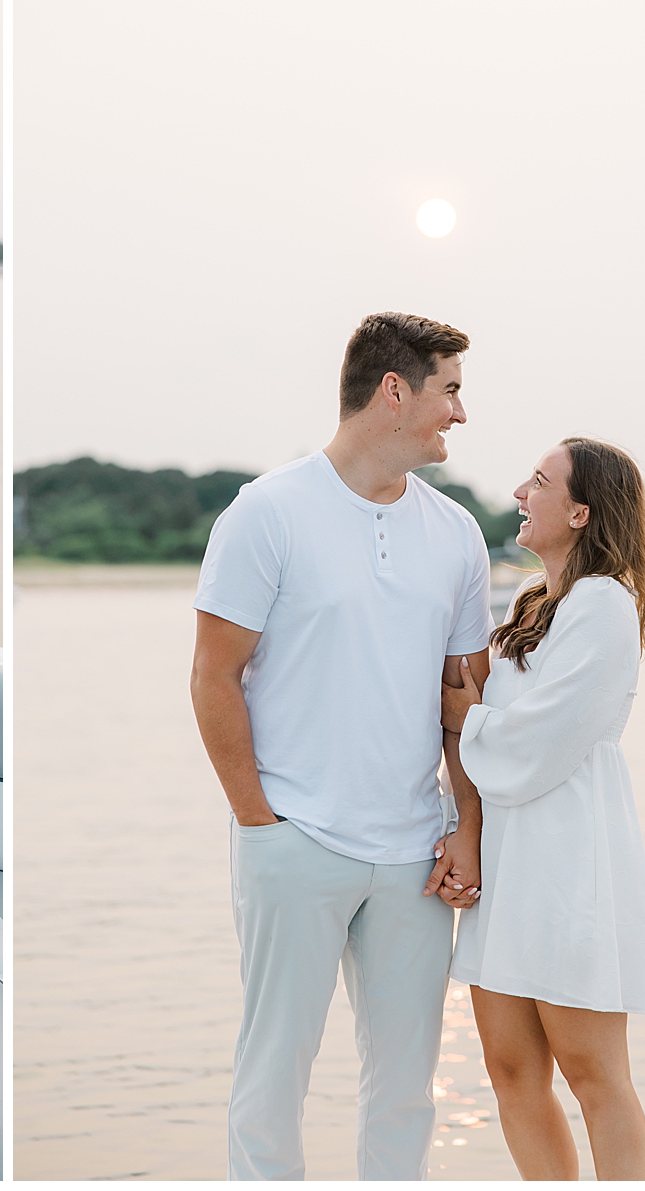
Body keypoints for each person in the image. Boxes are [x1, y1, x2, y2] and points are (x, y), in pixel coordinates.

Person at [190, 311, 496, 1180]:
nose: (461, 414)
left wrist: (464, 822)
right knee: (271, 1081)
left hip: (414, 854)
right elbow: (213, 678)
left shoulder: (457, 534)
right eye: (451, 391)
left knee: (405, 1091)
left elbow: (462, 701)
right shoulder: (267, 513)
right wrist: (260, 823)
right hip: (295, 840)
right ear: (393, 391)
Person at [441, 436, 645, 1180]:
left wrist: (467, 715)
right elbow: (504, 733)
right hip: (509, 862)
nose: (519, 492)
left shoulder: (604, 605)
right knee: (509, 1070)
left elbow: (543, 741)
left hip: (568, 862)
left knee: (594, 1074)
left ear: (579, 510)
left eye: (538, 481)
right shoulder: (536, 603)